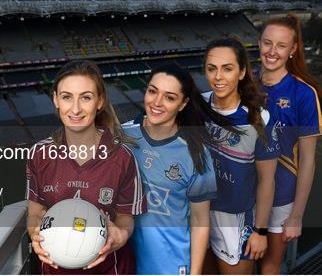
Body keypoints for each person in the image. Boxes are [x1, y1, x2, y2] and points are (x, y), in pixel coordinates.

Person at [26, 59, 144, 275]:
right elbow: (34, 215)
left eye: (86, 97)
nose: (76, 109)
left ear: (100, 101)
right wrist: (35, 234)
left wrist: (122, 235)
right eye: (67, 97)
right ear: (56, 100)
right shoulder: (39, 154)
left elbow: (126, 219)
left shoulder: (122, 157)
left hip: (111, 269)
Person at [123, 63, 237, 275]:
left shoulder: (195, 153)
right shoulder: (123, 137)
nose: (156, 103)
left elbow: (200, 220)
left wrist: (194, 273)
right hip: (125, 261)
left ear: (183, 104)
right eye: (152, 91)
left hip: (170, 265)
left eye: (169, 97)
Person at [202, 38, 280, 274]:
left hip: (234, 222)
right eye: (211, 68)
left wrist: (260, 231)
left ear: (242, 71)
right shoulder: (196, 105)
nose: (218, 77)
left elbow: (267, 180)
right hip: (198, 213)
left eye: (227, 69)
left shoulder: (259, 119)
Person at [258, 14, 322, 274]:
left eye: (281, 46)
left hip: (281, 196)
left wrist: (296, 216)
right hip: (242, 192)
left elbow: (308, 161)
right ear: (259, 43)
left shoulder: (304, 94)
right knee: (238, 262)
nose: (272, 52)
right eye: (267, 43)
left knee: (270, 265)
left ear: (293, 50)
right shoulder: (244, 83)